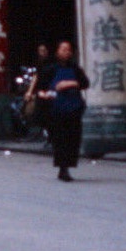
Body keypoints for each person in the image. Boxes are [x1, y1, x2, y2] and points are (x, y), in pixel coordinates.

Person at [35, 40, 90, 182]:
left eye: (68, 50)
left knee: (73, 139)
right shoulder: (50, 69)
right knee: (60, 140)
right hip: (56, 109)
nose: (66, 52)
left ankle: (68, 166)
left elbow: (85, 83)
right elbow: (40, 89)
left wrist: (70, 83)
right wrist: (44, 94)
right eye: (63, 49)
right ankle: (62, 168)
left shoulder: (75, 69)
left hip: (73, 108)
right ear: (57, 52)